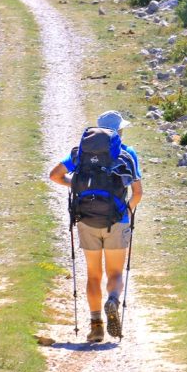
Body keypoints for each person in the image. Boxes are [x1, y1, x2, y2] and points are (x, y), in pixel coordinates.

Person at [49, 111, 143, 342]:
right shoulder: (127, 153)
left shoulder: (82, 153)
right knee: (115, 273)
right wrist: (124, 211)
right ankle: (112, 299)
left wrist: (78, 185)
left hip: (87, 219)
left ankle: (96, 325)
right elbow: (138, 193)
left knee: (93, 275)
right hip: (116, 220)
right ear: (119, 131)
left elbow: (55, 176)